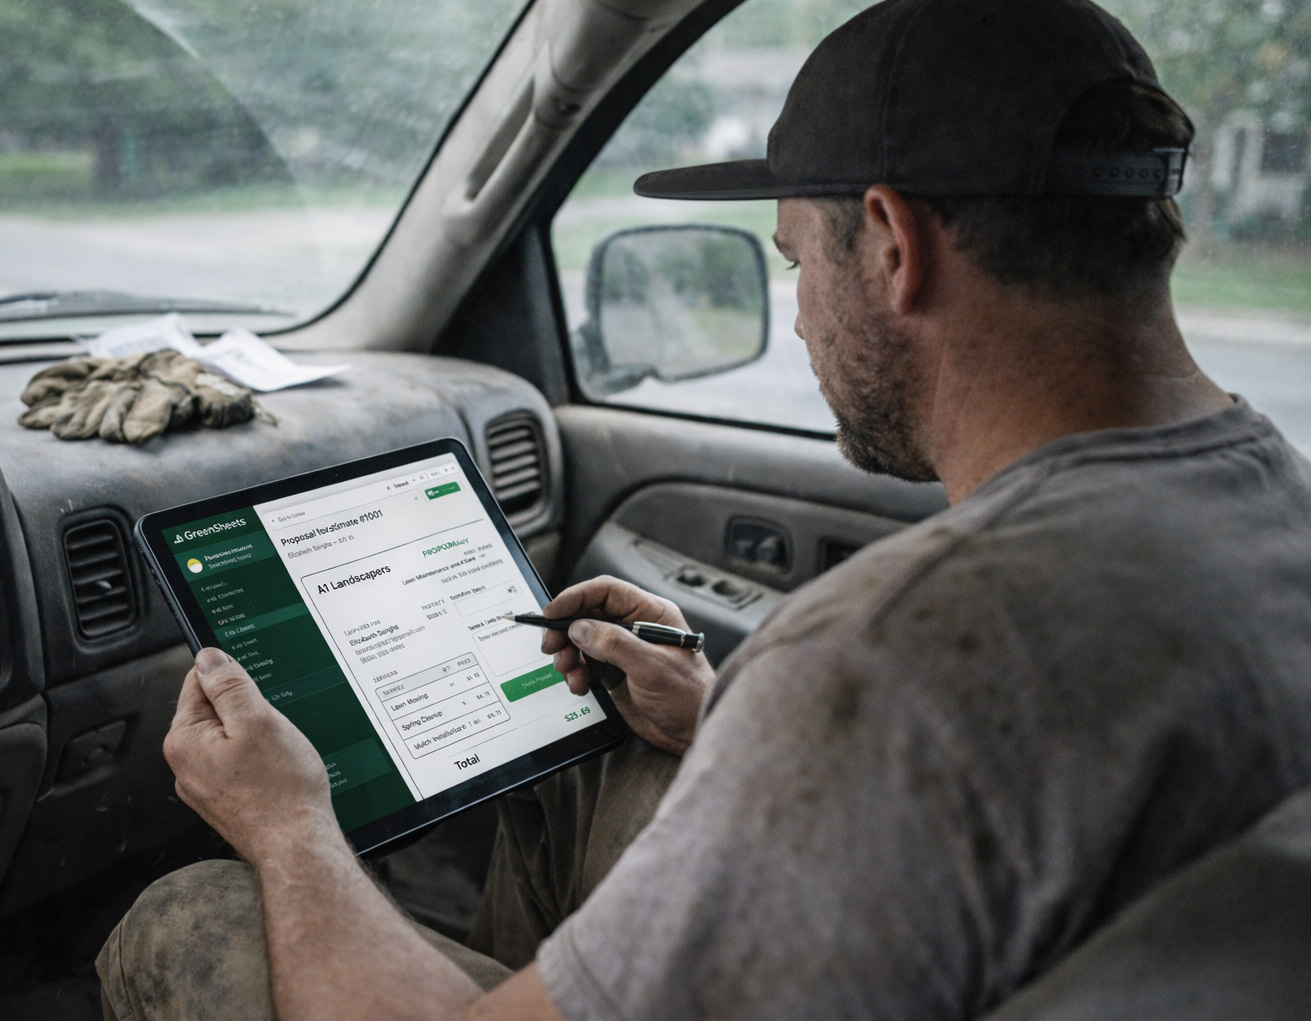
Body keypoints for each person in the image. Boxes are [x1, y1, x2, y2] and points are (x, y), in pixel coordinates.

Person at [99, 0, 1311, 1017]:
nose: (796, 316)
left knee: (187, 911)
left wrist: (291, 820)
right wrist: (735, 720)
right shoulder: (1268, 504)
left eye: (795, 261)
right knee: (603, 750)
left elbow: (920, 728)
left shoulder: (900, 656)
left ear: (891, 244)